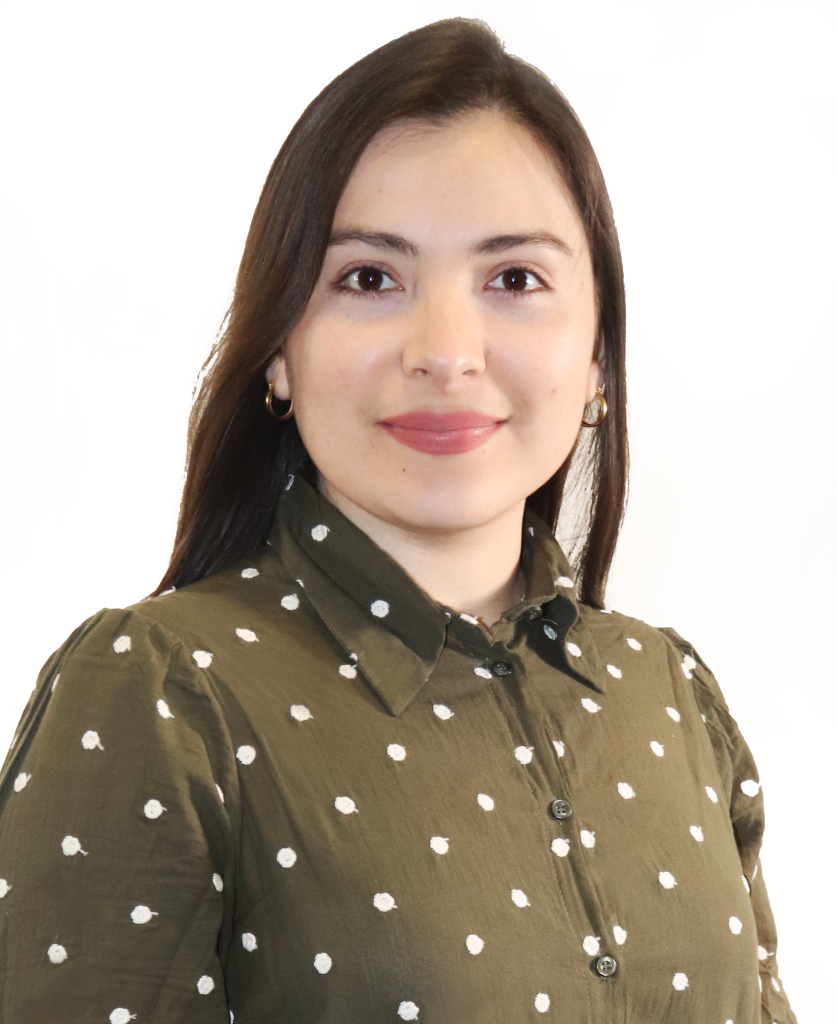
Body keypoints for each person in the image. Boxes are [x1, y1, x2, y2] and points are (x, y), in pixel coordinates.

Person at [0, 18, 796, 1024]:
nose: (446, 351)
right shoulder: (161, 695)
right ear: (278, 349)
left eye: (514, 279)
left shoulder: (670, 695)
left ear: (598, 354)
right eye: (370, 279)